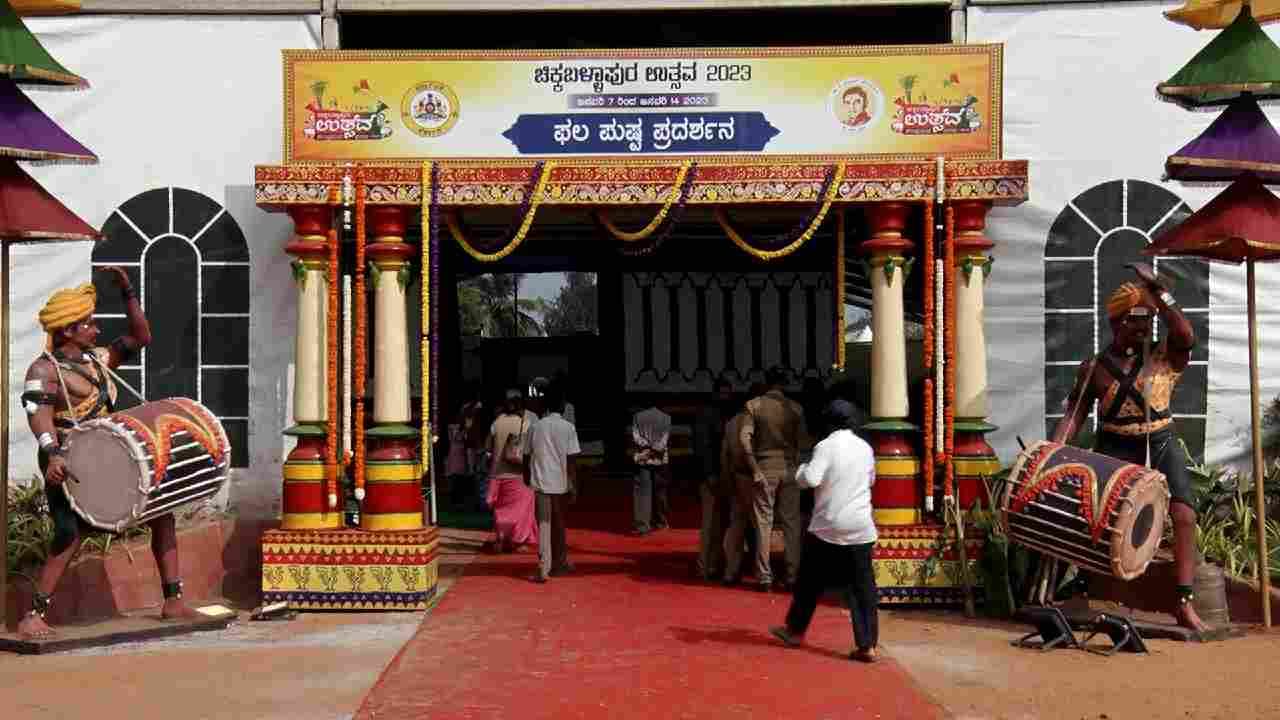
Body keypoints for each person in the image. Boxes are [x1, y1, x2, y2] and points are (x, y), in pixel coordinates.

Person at [17, 272, 200, 640]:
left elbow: (141, 337)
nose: (96, 330)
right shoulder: (44, 370)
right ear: (68, 330)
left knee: (160, 511)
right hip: (66, 461)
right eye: (89, 324)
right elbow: (38, 417)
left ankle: (173, 600)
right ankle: (32, 615)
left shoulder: (96, 360)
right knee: (70, 533)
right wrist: (53, 456)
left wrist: (128, 293)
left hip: (107, 457)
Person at [1052, 263, 1206, 632]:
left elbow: (1185, 334)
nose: (1145, 327)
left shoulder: (1165, 355)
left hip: (1161, 440)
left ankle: (1183, 602)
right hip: (1115, 445)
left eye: (1149, 320)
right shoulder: (1095, 367)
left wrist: (1160, 293)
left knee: (1184, 515)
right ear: (1117, 322)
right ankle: (1084, 587)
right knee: (1095, 513)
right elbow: (1074, 413)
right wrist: (1056, 448)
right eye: (1137, 320)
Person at [770, 399, 880, 663]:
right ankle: (867, 645)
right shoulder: (864, 447)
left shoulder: (825, 446)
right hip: (860, 526)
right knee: (862, 588)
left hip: (828, 526)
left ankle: (795, 631)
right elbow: (871, 479)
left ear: (828, 423)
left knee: (809, 582)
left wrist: (800, 471)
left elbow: (810, 479)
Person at [739, 367, 808, 591]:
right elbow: (803, 444)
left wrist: (754, 467)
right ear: (785, 383)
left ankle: (764, 576)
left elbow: (744, 440)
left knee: (763, 524)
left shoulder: (754, 405)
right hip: (789, 469)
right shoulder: (796, 409)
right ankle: (792, 574)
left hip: (764, 468)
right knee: (791, 524)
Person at [523, 385, 581, 583]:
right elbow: (572, 460)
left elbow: (525, 455)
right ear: (563, 407)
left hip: (540, 483)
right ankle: (560, 563)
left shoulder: (535, 427)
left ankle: (543, 567)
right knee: (559, 524)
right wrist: (573, 484)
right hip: (561, 483)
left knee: (544, 526)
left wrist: (526, 476)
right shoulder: (568, 428)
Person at [485, 389, 538, 553]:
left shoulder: (497, 422)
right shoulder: (528, 423)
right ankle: (518, 541)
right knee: (521, 510)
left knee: (501, 509)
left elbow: (487, 446)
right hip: (519, 474)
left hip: (497, 474)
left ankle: (501, 539)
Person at [694, 378, 735, 580]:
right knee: (710, 523)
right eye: (723, 393)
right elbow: (702, 447)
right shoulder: (707, 414)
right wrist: (709, 473)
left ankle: (714, 564)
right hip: (713, 476)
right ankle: (704, 566)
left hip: (725, 476)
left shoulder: (723, 415)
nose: (726, 397)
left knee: (721, 524)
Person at [629, 402, 672, 536]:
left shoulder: (637, 416)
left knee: (642, 493)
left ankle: (643, 526)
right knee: (660, 491)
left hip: (643, 457)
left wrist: (647, 449)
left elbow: (636, 438)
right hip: (660, 459)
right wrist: (654, 449)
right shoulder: (666, 417)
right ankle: (661, 522)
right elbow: (664, 441)